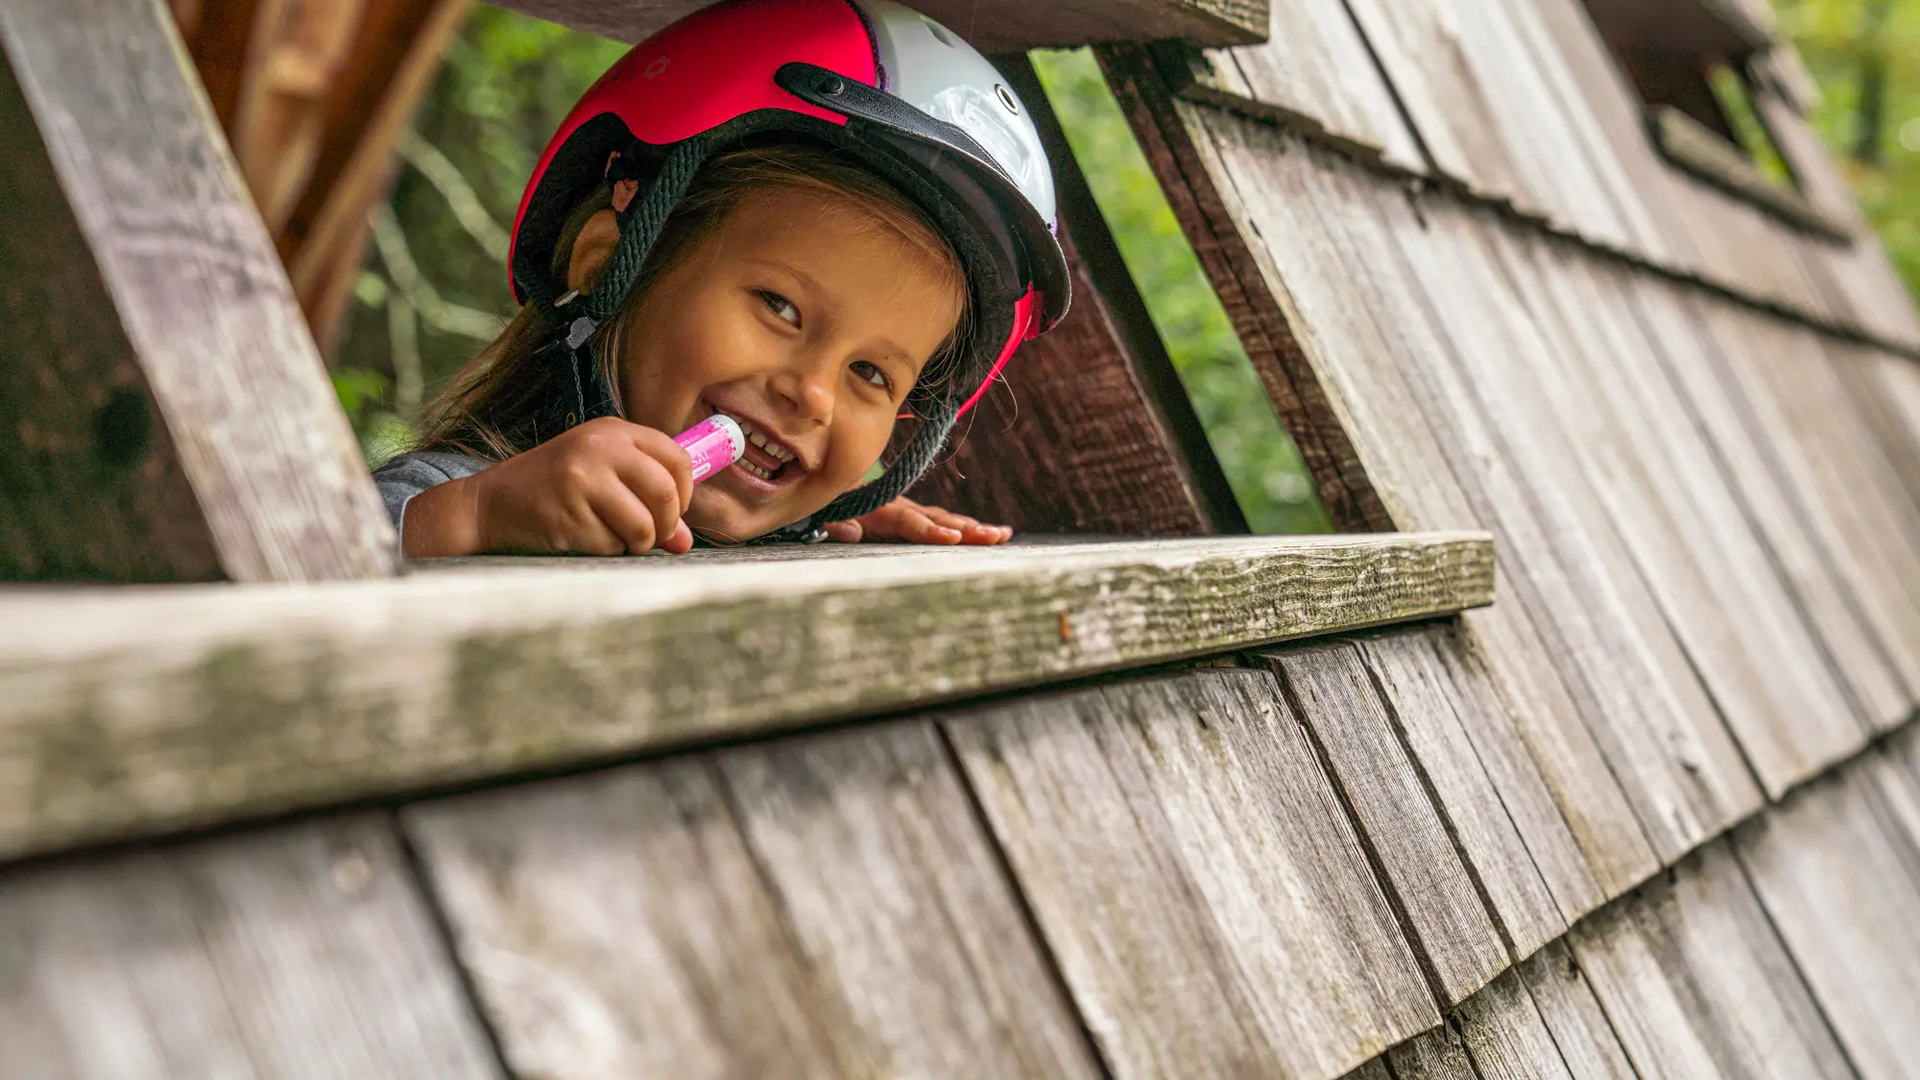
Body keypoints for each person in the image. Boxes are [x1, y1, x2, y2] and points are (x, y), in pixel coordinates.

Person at [375, 0, 1070, 556]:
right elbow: (315, 557)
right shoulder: (460, 496)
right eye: (781, 308)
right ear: (611, 263)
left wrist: (812, 524)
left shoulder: (803, 532)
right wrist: (476, 518)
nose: (814, 396)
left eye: (872, 374)